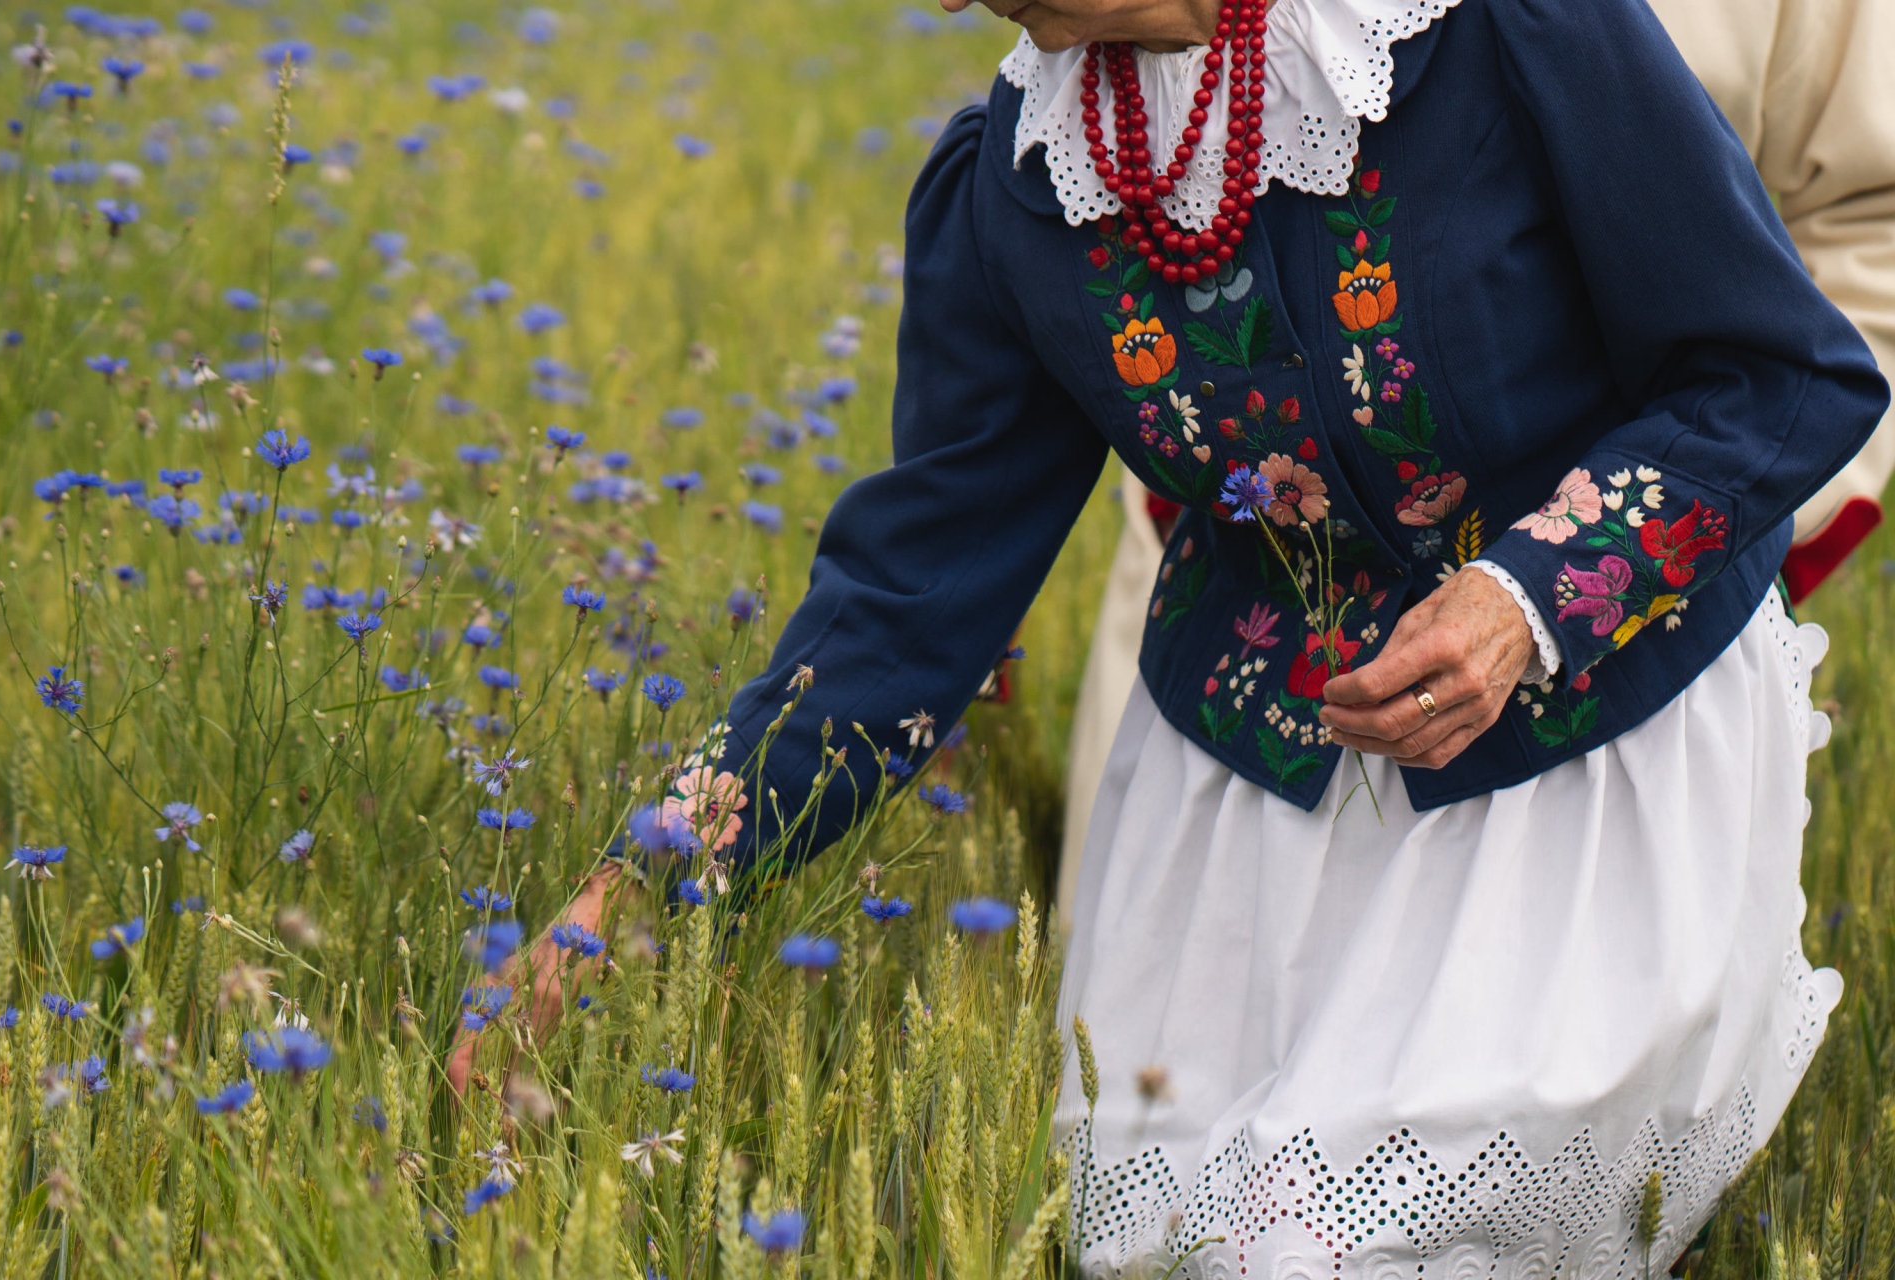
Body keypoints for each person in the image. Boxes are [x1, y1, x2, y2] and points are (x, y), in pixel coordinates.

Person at [466, 0, 1889, 1274]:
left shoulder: (1502, 31)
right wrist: (646, 882)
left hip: (1584, 768)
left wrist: (1525, 595)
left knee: (1333, 1243)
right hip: (1237, 823)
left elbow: (1778, 371)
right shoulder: (1018, 185)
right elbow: (910, 598)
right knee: (1184, 1251)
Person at [1058, 0, 1895, 916]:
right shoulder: (1044, 113)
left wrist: (1711, 522)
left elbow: (1856, 236)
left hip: (1621, 678)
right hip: (1236, 628)